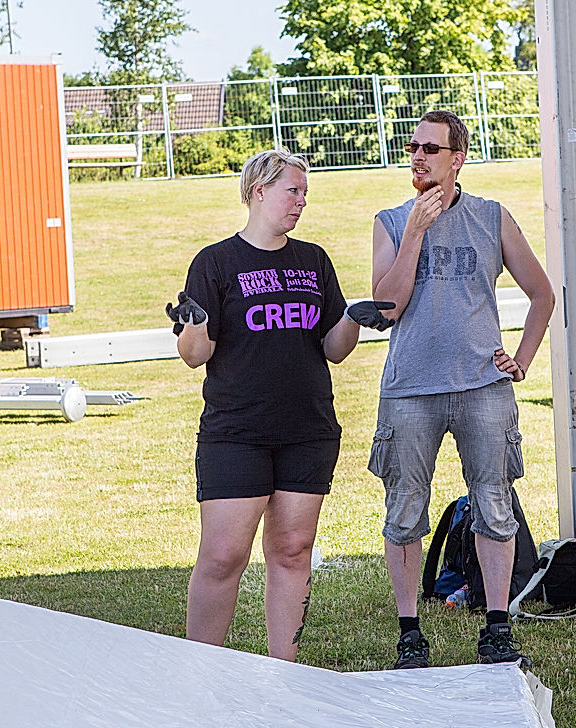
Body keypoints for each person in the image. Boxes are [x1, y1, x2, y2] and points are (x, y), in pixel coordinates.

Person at [167, 147, 395, 663]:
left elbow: (333, 350)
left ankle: (283, 675)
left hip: (307, 430)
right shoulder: (216, 262)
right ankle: (202, 671)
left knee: (292, 552)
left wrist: (353, 318)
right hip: (236, 432)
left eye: (305, 193)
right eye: (293, 190)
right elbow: (194, 355)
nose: (301, 202)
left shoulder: (312, 261)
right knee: (224, 556)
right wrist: (195, 322)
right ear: (259, 190)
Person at [367, 109, 555, 670]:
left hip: (483, 388)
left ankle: (497, 625)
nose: (418, 157)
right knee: (404, 513)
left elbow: (542, 294)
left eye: (430, 148)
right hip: (409, 390)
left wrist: (520, 360)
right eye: (413, 147)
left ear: (458, 158)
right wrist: (417, 234)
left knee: (495, 508)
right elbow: (386, 306)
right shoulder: (390, 220)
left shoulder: (491, 218)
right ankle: (409, 631)